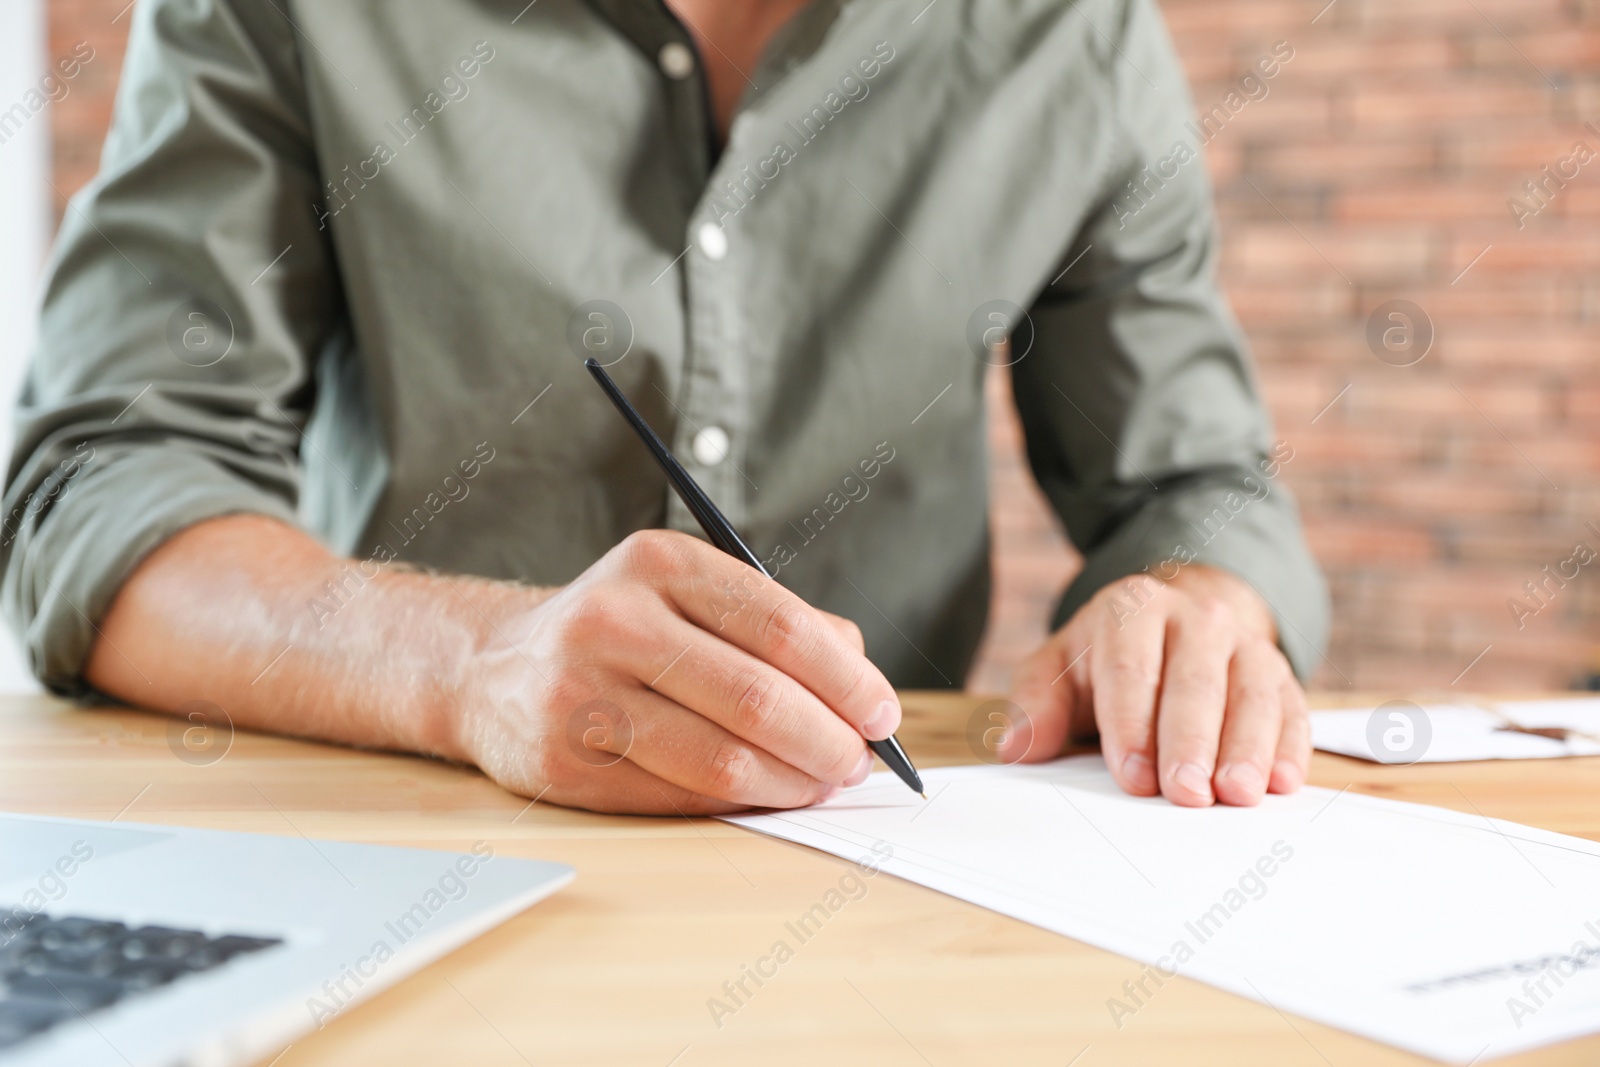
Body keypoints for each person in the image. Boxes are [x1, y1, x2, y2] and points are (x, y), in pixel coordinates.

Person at [2, 0, 1327, 815]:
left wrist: (1202, 605)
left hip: (892, 887)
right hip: (407, 857)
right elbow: (104, 481)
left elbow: (1193, 485)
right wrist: (469, 666)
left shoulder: (1072, 32)